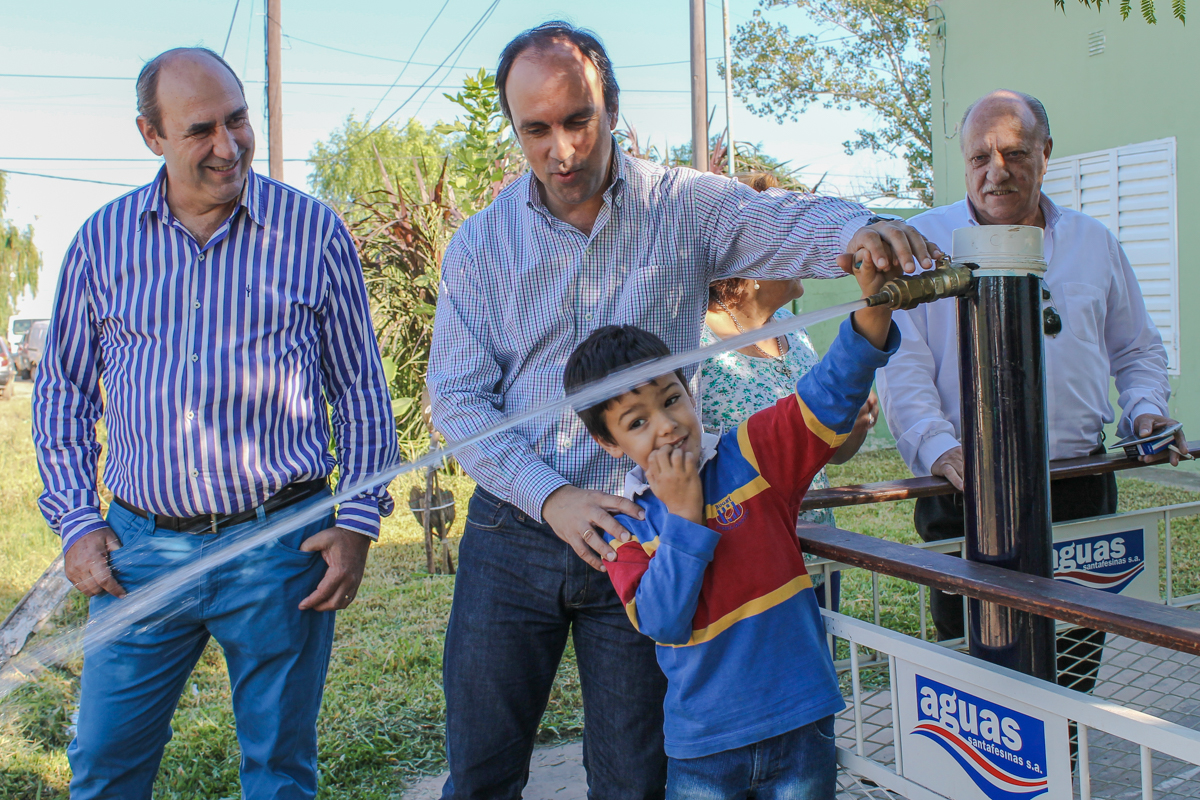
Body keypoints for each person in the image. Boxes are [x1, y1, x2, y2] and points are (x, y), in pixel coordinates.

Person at [427, 21, 941, 799]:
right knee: (482, 769)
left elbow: (782, 222)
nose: (561, 151)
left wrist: (855, 231)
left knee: (635, 779)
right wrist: (553, 497)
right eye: (536, 130)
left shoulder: (682, 206)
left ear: (613, 111)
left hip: (659, 526)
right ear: (515, 129)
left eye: (578, 121)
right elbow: (457, 399)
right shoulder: (479, 247)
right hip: (514, 532)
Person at [32, 47, 398, 799]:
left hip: (280, 546)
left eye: (238, 120)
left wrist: (358, 519)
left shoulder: (312, 233)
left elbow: (360, 390)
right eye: (201, 129)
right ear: (150, 134)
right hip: (139, 555)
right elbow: (63, 393)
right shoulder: (102, 244)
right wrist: (75, 520)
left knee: (280, 773)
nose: (228, 146)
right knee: (104, 764)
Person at [560, 250, 900, 798]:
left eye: (672, 399)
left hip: (800, 721)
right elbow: (665, 621)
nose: (668, 426)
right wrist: (686, 514)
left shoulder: (751, 454)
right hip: (704, 748)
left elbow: (827, 396)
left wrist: (874, 310)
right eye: (637, 421)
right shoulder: (624, 528)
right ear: (609, 443)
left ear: (691, 390)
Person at [876, 89, 1184, 692]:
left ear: (1047, 153)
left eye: (1015, 153)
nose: (997, 171)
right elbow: (901, 367)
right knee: (975, 672)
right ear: (963, 160)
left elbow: (1137, 349)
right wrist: (939, 450)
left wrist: (1146, 412)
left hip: (1075, 483)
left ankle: (1063, 776)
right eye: (980, 157)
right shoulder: (923, 245)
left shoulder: (1094, 244)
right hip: (964, 489)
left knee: (1070, 664)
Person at [698, 173, 880, 611]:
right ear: (752, 261)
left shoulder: (795, 338)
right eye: (789, 240)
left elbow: (824, 453)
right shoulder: (695, 346)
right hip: (745, 561)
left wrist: (851, 429)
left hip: (815, 547)